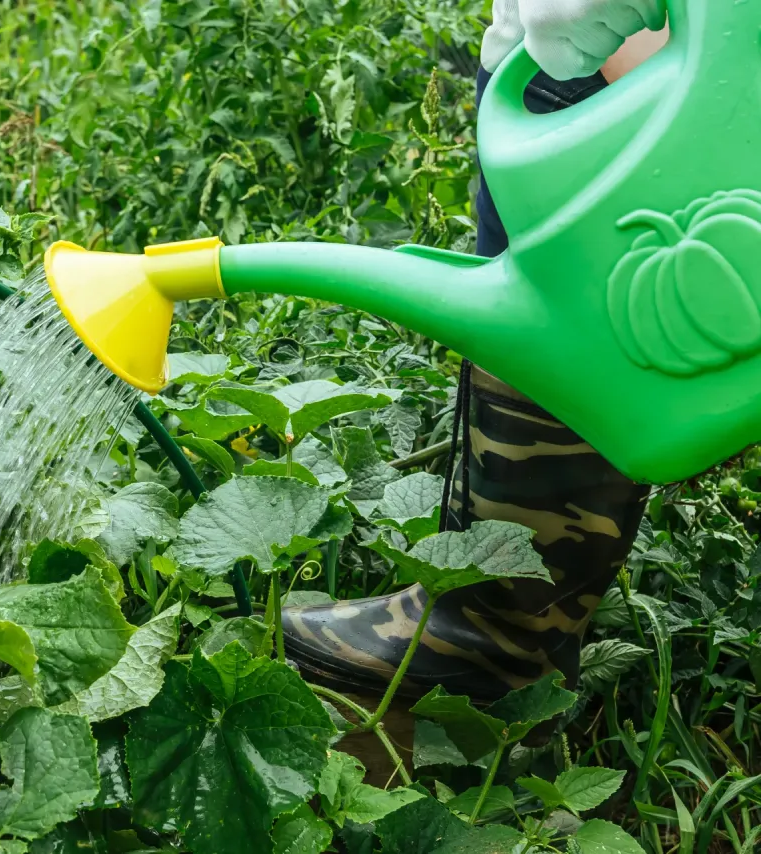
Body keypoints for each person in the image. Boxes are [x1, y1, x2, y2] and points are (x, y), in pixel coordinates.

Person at [281, 1, 670, 704]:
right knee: (539, 327)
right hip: (578, 67)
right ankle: (497, 654)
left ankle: (488, 664)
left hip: (645, 85)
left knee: (582, 335)